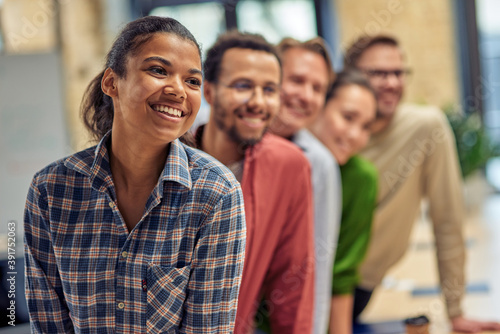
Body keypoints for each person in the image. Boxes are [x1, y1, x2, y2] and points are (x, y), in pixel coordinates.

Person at [23, 16, 246, 333]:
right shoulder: (50, 190)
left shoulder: (216, 194)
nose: (178, 90)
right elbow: (49, 324)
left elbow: (206, 327)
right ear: (112, 82)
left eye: (192, 81)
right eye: (159, 70)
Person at [344, 34, 500, 333]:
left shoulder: (425, 127)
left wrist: (455, 311)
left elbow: (448, 218)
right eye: (378, 73)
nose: (391, 82)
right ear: (350, 78)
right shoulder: (336, 130)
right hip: (306, 281)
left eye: (398, 72)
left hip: (358, 285)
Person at [197, 31, 315, 334]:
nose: (258, 102)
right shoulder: (167, 159)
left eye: (270, 89)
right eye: (243, 86)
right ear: (208, 91)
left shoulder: (288, 165)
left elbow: (293, 281)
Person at [270, 37, 341, 334]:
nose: (306, 96)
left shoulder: (320, 164)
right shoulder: (220, 139)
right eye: (297, 80)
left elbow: (316, 265)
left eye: (318, 89)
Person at [310, 70, 378, 334]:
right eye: (348, 117)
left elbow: (342, 273)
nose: (354, 135)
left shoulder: (362, 179)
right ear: (320, 106)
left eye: (365, 127)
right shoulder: (285, 160)